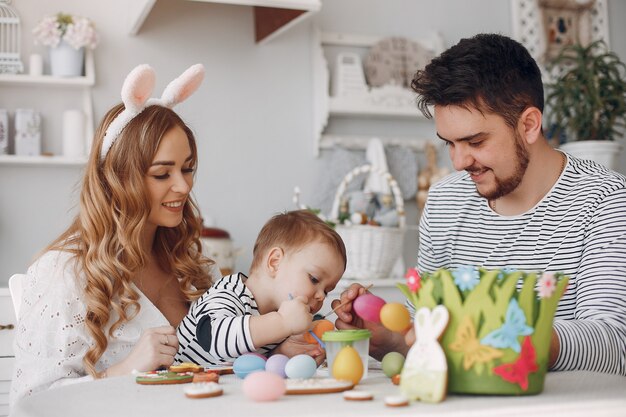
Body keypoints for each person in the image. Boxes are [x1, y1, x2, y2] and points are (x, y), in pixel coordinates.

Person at [332, 33, 626, 376]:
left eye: (475, 141)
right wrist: (392, 339)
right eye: (450, 144)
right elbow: (426, 338)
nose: (459, 162)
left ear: (529, 124)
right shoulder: (444, 202)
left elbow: (614, 345)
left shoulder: (606, 202)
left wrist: (506, 336)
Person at [10, 64, 220, 405]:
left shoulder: (193, 260)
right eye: (162, 174)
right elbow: (28, 403)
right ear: (118, 179)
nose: (183, 186)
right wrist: (125, 369)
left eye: (187, 169)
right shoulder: (63, 273)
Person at [176, 210, 346, 366]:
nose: (321, 297)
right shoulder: (229, 293)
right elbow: (213, 338)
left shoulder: (279, 314)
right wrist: (283, 322)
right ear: (275, 262)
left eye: (327, 290)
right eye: (314, 279)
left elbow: (248, 360)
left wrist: (281, 353)